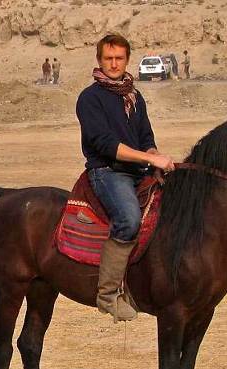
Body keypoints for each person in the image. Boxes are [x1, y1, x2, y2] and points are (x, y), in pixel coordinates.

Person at [75, 34, 174, 322]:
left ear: (127, 60)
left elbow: (146, 139)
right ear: (99, 60)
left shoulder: (134, 96)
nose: (114, 64)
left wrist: (156, 156)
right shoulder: (89, 99)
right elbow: (106, 144)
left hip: (138, 171)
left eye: (119, 58)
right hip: (108, 172)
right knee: (129, 219)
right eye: (108, 58)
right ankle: (107, 294)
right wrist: (149, 159)